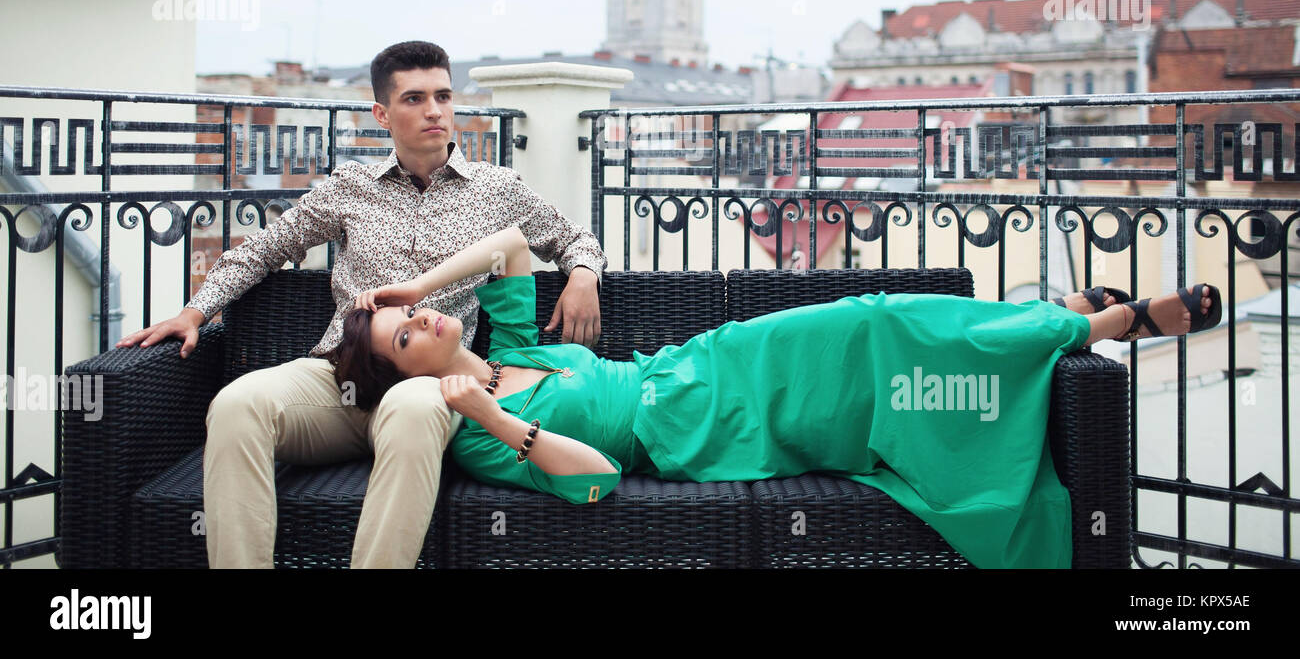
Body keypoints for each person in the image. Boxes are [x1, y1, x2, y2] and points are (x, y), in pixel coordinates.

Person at [331, 223, 1222, 570]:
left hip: (710, 359)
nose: (428, 327)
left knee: (874, 315)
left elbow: (510, 242)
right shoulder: (479, 434)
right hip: (707, 429)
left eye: (417, 319)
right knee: (876, 333)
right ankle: (1098, 325)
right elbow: (596, 480)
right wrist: (493, 416)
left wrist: (406, 289)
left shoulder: (511, 342)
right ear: (406, 380)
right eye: (406, 341)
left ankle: (1054, 320)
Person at [114, 41, 607, 568]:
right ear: (381, 113)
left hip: (426, 383)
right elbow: (265, 248)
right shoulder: (350, 188)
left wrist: (581, 273)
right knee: (237, 404)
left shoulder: (496, 188)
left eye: (443, 95)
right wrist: (196, 311)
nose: (435, 110)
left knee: (414, 411)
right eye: (414, 98)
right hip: (338, 378)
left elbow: (573, 238)